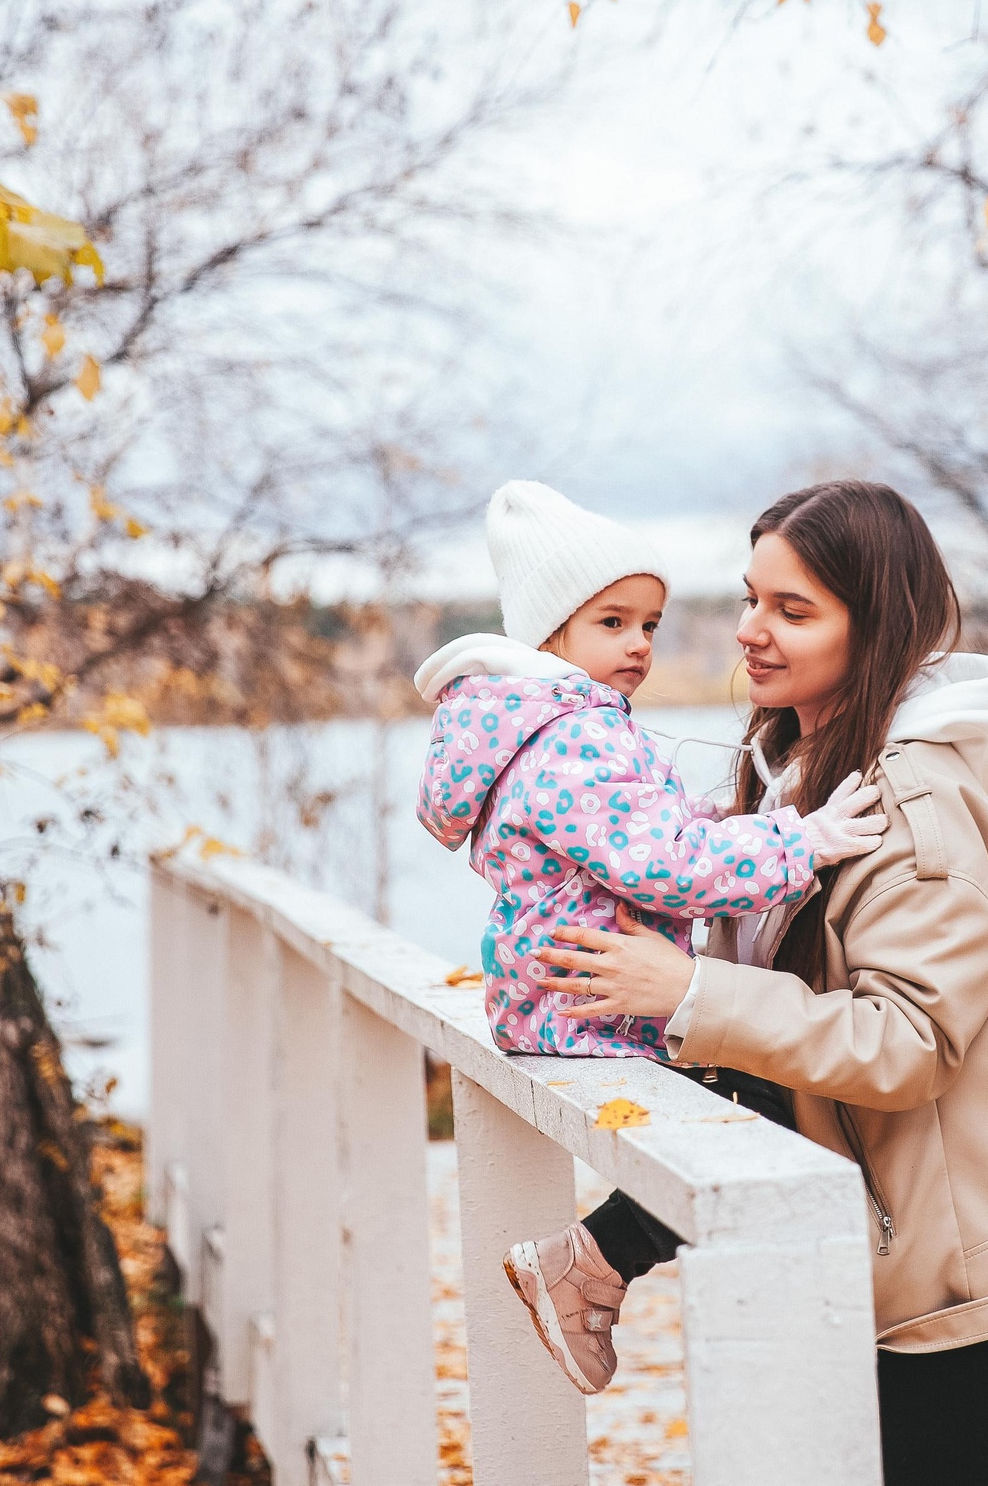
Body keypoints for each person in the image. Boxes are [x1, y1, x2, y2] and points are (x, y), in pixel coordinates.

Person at [526, 480, 988, 1486]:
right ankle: (598, 1257)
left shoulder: (913, 809)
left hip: (948, 1293)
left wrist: (690, 992)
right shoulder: (795, 774)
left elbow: (910, 1044)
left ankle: (598, 1257)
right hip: (843, 1251)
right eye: (750, 598)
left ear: (876, 629)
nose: (750, 630)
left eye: (792, 609)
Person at [411, 481, 889, 1387]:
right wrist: (804, 840)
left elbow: (633, 836)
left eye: (650, 624)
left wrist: (723, 824)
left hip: (557, 997)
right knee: (766, 1099)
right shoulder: (575, 738)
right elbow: (660, 865)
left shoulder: (539, 728)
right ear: (549, 634)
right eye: (612, 622)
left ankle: (595, 1267)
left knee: (761, 1092)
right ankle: (590, 1266)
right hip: (592, 1003)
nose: (638, 644)